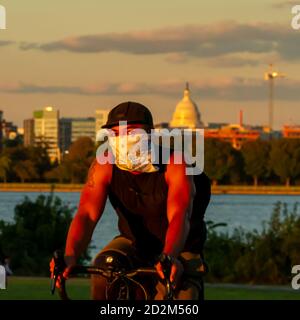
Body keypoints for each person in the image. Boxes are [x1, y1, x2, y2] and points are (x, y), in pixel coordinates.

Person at [54, 101, 211, 300]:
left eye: (131, 131)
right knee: (104, 269)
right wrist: (69, 256)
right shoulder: (104, 164)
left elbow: (180, 215)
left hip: (181, 246)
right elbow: (87, 214)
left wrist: (170, 257)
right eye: (115, 133)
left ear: (151, 134)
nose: (123, 139)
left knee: (181, 295)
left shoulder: (176, 163)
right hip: (134, 241)